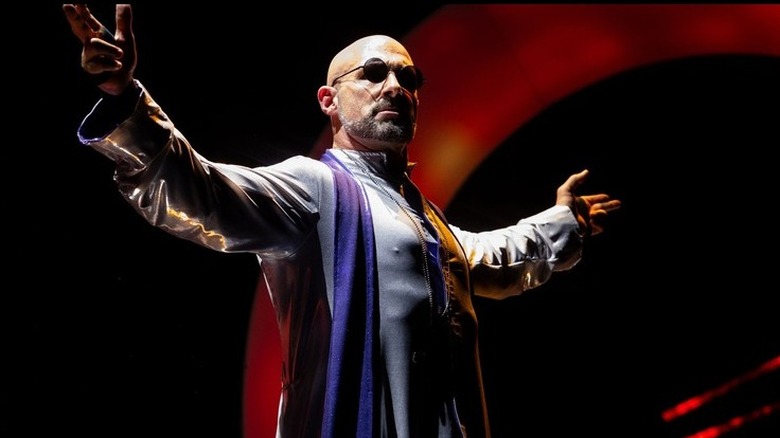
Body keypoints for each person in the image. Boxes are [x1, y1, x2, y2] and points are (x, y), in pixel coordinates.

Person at [63, 4, 621, 438]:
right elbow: (200, 190)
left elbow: (485, 258)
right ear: (329, 100)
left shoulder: (421, 218)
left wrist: (561, 222)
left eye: (409, 77)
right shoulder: (315, 187)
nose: (396, 87)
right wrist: (123, 98)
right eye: (374, 73)